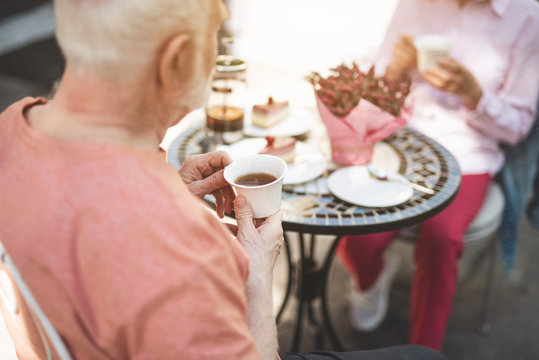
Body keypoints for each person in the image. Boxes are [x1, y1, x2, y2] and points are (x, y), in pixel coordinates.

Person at [0, 0, 449, 359]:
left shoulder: (10, 129)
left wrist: (162, 189)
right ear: (175, 60)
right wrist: (256, 281)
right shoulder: (181, 248)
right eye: (217, 35)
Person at [338, 0, 539, 351]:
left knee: (441, 237)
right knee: (358, 233)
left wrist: (474, 95)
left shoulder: (527, 17)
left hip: (469, 153)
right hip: (401, 143)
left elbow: (518, 127)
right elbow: (376, 89)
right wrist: (396, 69)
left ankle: (423, 350)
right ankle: (370, 279)